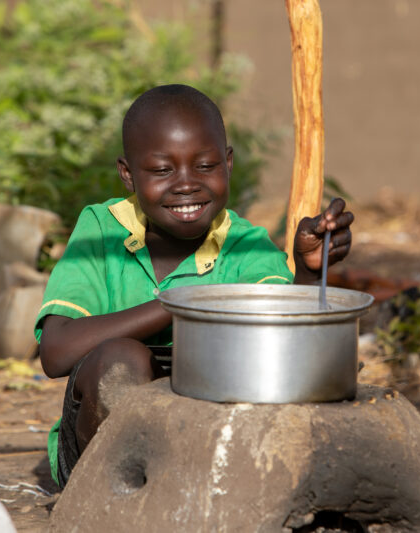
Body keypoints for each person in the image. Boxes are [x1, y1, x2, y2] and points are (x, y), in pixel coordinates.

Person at [35, 84, 354, 487]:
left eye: (205, 166)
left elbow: (286, 346)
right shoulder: (101, 231)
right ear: (128, 174)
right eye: (162, 170)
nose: (186, 184)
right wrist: (181, 303)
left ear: (228, 163)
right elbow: (56, 352)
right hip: (98, 460)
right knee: (121, 360)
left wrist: (308, 274)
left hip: (210, 453)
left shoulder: (244, 245)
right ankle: (121, 505)